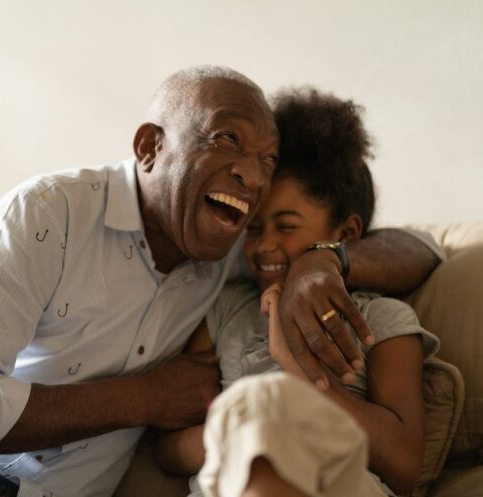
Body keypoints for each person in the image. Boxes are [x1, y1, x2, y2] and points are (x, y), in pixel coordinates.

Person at [0, 67, 441, 497]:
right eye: (227, 140)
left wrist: (324, 261)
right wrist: (146, 397)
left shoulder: (240, 249)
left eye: (266, 159)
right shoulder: (50, 215)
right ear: (150, 146)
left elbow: (425, 247)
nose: (251, 174)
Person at [156, 88, 441, 497]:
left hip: (340, 487)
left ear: (345, 234)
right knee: (262, 411)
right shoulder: (225, 308)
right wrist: (247, 429)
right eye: (253, 228)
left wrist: (301, 372)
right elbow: (168, 450)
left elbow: (403, 465)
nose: (265, 245)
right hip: (229, 484)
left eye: (287, 227)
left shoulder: (380, 318)